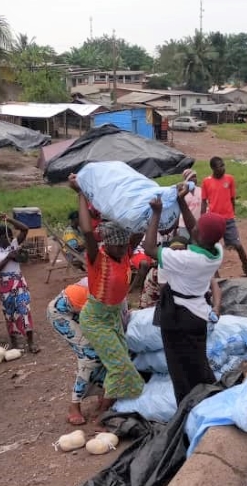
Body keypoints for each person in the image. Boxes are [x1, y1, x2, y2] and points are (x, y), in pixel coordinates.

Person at [69, 173, 144, 420]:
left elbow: (138, 229)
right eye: (119, 246)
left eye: (125, 246)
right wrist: (80, 192)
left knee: (122, 363)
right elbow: (88, 231)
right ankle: (102, 415)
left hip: (113, 316)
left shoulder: (124, 254)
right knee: (118, 365)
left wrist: (152, 208)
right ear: (106, 244)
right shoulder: (96, 258)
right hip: (96, 318)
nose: (124, 250)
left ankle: (107, 402)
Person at [144, 185, 224, 404]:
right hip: (198, 313)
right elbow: (195, 228)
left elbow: (149, 247)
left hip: (179, 317)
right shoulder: (216, 252)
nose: (194, 227)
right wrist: (181, 201)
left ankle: (188, 411)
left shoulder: (187, 259)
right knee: (197, 365)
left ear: (198, 235)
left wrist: (156, 213)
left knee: (180, 371)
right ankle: (208, 401)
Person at [47, 279, 105, 425]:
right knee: (90, 354)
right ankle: (74, 406)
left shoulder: (120, 276)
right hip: (61, 312)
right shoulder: (104, 282)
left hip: (79, 310)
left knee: (104, 349)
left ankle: (102, 394)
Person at [201, 156, 247, 282]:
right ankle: (215, 278)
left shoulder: (229, 179)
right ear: (213, 168)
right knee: (210, 249)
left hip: (228, 220)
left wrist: (232, 214)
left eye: (224, 165)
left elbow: (232, 199)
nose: (223, 168)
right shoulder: (206, 182)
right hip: (214, 221)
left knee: (238, 246)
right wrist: (203, 218)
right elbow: (204, 201)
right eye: (220, 166)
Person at [0, 214, 38, 353]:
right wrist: (8, 258)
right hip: (5, 285)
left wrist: (8, 219)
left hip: (19, 282)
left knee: (24, 311)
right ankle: (14, 343)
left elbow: (25, 229)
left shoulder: (14, 244)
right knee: (9, 314)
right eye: (6, 236)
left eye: (10, 235)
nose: (9, 238)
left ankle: (30, 342)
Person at [139, 234, 189, 309]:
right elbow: (165, 291)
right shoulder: (163, 265)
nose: (177, 253)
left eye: (181, 250)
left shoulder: (190, 264)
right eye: (174, 250)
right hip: (157, 298)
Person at [179, 168, 202, 239]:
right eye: (192, 177)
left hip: (198, 223)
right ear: (187, 179)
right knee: (185, 243)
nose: (195, 179)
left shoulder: (201, 190)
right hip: (184, 224)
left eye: (195, 177)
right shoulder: (182, 192)